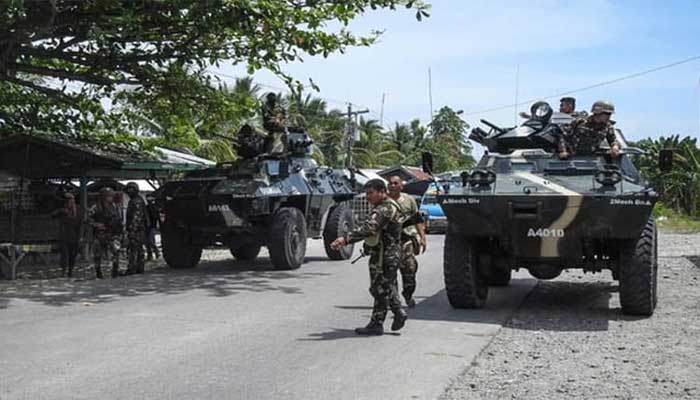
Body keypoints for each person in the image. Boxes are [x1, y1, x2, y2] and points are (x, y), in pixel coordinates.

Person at [330, 179, 408, 336]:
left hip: (386, 255)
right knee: (385, 287)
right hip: (384, 253)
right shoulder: (385, 206)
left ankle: (386, 318)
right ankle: (387, 318)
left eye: (371, 193)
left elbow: (370, 228)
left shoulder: (385, 208)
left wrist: (345, 239)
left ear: (382, 192)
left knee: (379, 288)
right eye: (366, 193)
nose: (368, 197)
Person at [387, 176, 427, 308]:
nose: (392, 186)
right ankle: (394, 300)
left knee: (409, 269)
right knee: (390, 272)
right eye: (390, 183)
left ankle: (408, 294)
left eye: (395, 183)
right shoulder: (383, 201)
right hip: (389, 242)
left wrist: (422, 237)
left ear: (401, 186)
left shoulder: (409, 200)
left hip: (407, 240)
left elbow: (417, 219)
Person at [88, 187, 123, 279]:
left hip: (112, 233)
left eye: (111, 196)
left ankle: (115, 271)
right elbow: (88, 220)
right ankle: (98, 272)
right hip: (100, 234)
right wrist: (97, 224)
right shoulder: (96, 207)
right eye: (109, 196)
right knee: (97, 254)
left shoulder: (114, 207)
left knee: (116, 251)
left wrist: (119, 230)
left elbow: (119, 219)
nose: (111, 198)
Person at [51, 193, 83, 277]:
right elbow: (53, 215)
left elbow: (80, 222)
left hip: (75, 235)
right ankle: (63, 270)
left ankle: (70, 271)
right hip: (64, 235)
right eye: (70, 202)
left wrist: (81, 235)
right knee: (64, 255)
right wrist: (61, 210)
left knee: (73, 255)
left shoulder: (78, 209)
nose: (72, 203)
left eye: (73, 201)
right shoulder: (62, 210)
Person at [125, 182, 149, 275]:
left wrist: (132, 230)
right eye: (128, 190)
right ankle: (139, 267)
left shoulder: (136, 201)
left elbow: (137, 217)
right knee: (138, 248)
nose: (129, 191)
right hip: (139, 229)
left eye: (131, 189)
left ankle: (133, 268)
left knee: (133, 249)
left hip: (137, 230)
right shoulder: (136, 200)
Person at [145, 195, 160, 261]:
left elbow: (156, 216)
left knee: (151, 241)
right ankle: (150, 255)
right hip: (147, 226)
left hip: (152, 226)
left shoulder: (154, 207)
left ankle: (156, 253)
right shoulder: (147, 207)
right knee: (147, 242)